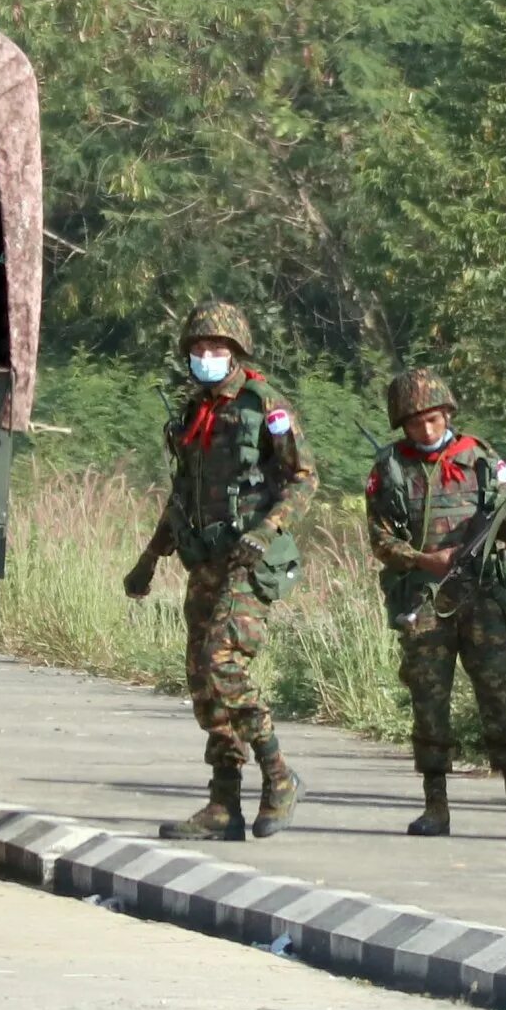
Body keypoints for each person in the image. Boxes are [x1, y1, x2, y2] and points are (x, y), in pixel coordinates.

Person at [124, 301, 317, 841]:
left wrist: (267, 529)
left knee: (222, 661)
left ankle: (279, 774)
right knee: (203, 682)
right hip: (203, 561)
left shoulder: (264, 407)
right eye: (199, 349)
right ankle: (223, 804)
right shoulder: (192, 414)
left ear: (237, 352)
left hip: (250, 561)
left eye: (218, 348)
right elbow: (182, 495)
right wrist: (149, 558)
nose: (207, 356)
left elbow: (304, 479)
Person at [366, 370, 506, 839]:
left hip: (483, 597)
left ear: (448, 412)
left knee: (499, 695)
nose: (426, 430)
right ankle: (436, 805)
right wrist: (424, 558)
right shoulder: (391, 469)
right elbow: (380, 538)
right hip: (425, 599)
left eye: (433, 418)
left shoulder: (481, 459)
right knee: (429, 700)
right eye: (415, 422)